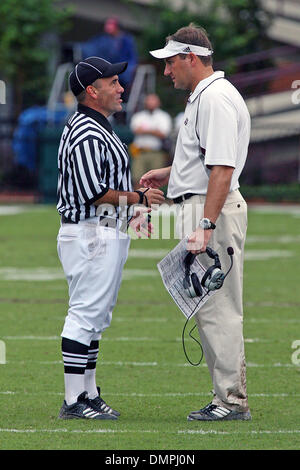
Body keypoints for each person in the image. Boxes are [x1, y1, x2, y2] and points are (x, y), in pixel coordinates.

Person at [140, 24, 251, 421]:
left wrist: (205, 223)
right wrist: (168, 174)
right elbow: (204, 161)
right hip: (204, 207)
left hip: (212, 210)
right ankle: (225, 397)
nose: (166, 71)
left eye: (170, 62)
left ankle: (231, 402)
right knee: (206, 307)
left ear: (190, 57)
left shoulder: (215, 98)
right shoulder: (204, 96)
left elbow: (222, 168)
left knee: (218, 307)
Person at [56, 56, 165, 420]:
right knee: (85, 314)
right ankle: (73, 400)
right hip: (89, 231)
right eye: (113, 82)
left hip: (103, 230)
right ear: (92, 90)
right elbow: (93, 192)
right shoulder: (87, 132)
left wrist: (131, 204)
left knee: (96, 316)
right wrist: (139, 199)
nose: (121, 89)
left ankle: (87, 392)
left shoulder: (98, 127)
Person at [80, 17, 138, 101]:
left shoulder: (126, 40)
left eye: (111, 25)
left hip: (123, 73)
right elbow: (90, 50)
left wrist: (129, 70)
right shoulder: (102, 39)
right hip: (108, 72)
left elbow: (132, 58)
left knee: (122, 94)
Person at [129, 93, 172, 188]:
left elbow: (163, 134)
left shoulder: (164, 116)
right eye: (149, 100)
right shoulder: (138, 116)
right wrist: (154, 130)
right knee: (137, 179)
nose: (151, 103)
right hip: (140, 152)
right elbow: (135, 130)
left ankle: (154, 202)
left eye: (153, 100)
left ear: (158, 103)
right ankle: (138, 201)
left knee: (156, 181)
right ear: (145, 103)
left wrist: (145, 130)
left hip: (156, 153)